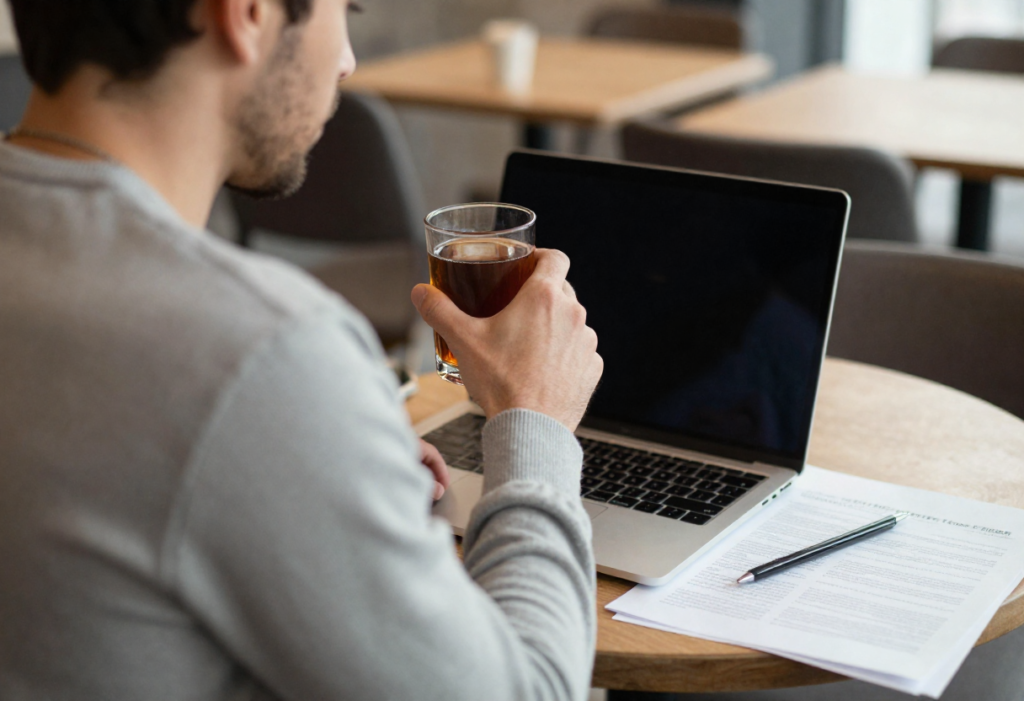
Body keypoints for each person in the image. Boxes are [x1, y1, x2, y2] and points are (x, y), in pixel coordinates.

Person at [0, 0, 603, 699]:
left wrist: (324, 447)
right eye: (344, 9)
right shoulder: (257, 352)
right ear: (248, 13)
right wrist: (534, 418)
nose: (346, 60)